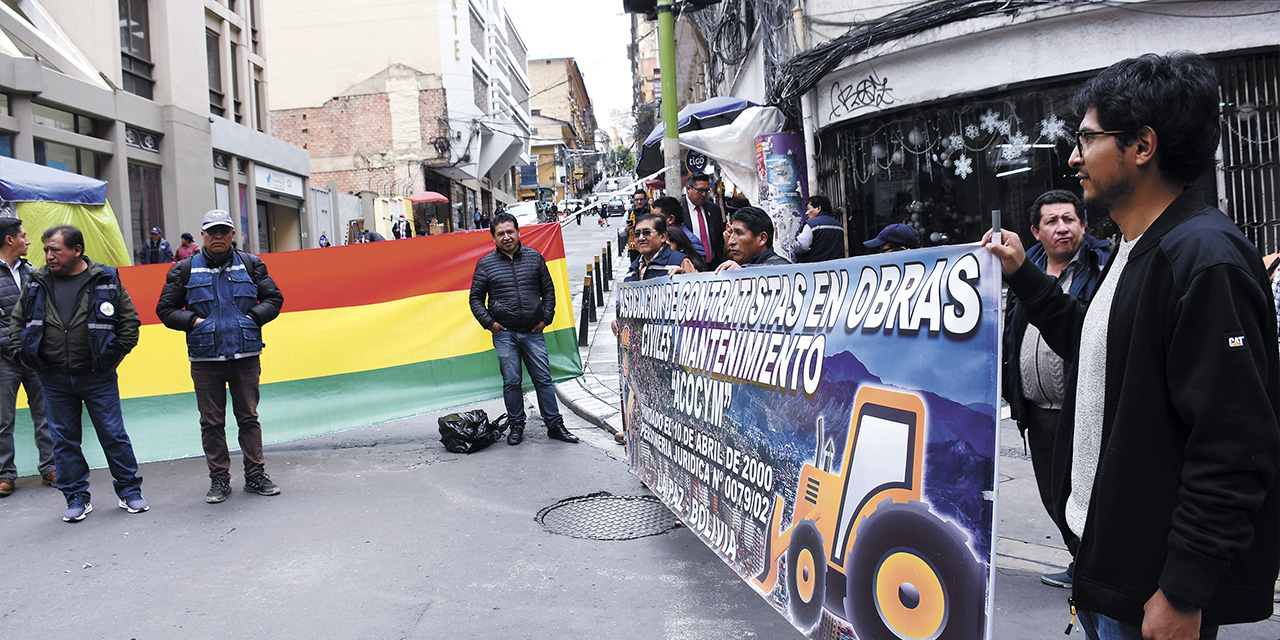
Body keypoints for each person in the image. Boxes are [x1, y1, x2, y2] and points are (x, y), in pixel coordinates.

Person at [984, 53, 1280, 640]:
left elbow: (1233, 443)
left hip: (1152, 592)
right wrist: (1023, 274)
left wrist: (1183, 590)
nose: (1074, 156)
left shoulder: (1205, 260)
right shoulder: (1135, 246)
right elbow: (1097, 350)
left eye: (1088, 138)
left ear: (1142, 146)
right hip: (1107, 567)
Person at [1001, 189, 1110, 589]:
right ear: (1035, 231)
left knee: (1085, 495)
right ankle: (1079, 561)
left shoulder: (1102, 267)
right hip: (1035, 410)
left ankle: (1094, 570)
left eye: (1069, 219)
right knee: (1053, 496)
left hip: (1080, 412)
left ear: (1083, 224)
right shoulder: (1018, 270)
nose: (1062, 228)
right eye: (1052, 221)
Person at [10, 225, 146, 522]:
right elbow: (16, 323)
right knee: (63, 439)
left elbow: (128, 322)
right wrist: (24, 357)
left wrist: (114, 358)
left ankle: (129, 492)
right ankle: (75, 498)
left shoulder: (106, 278)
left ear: (77, 250)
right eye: (46, 249)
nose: (48, 255)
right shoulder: (36, 282)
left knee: (113, 434)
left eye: (55, 249)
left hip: (98, 376)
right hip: (54, 378)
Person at [156, 210, 284, 503]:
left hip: (246, 355)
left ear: (232, 235)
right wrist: (193, 323)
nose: (218, 236)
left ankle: (255, 475)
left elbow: (274, 298)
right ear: (201, 235)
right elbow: (165, 309)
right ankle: (219, 480)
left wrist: (251, 318)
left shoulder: (251, 265)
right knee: (211, 423)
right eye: (212, 231)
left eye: (224, 231)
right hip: (205, 359)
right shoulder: (184, 269)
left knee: (248, 418)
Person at [469, 212, 577, 446]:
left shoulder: (535, 258)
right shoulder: (485, 264)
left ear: (519, 232)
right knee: (511, 382)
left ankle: (555, 425)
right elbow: (475, 299)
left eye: (510, 231)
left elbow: (548, 291)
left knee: (544, 380)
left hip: (533, 333)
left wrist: (545, 318)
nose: (506, 237)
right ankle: (516, 426)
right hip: (505, 334)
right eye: (501, 234)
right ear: (494, 238)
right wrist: (491, 324)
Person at [0, 218, 54, 497]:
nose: (29, 241)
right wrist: (16, 350)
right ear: (10, 240)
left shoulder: (31, 271)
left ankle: (51, 466)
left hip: (33, 357)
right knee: (2, 419)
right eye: (23, 236)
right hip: (5, 359)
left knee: (45, 413)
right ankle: (4, 475)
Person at [715, 206, 792, 271]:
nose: (730, 242)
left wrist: (743, 271)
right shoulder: (738, 267)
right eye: (731, 233)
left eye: (739, 233)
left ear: (762, 238)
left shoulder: (784, 270)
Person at [681, 174, 725, 266]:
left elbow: (719, 239)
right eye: (700, 191)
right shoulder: (679, 209)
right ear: (689, 189)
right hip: (689, 265)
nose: (704, 195)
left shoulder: (714, 209)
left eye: (706, 191)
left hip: (713, 265)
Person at [795, 195, 847, 263]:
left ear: (818, 208)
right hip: (834, 268)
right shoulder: (839, 226)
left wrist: (795, 246)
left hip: (813, 268)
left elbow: (802, 246)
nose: (806, 213)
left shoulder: (811, 224)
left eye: (808, 209)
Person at [626, 190, 651, 263]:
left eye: (641, 199)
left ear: (646, 199)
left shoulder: (653, 211)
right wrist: (626, 229)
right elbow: (621, 232)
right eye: (636, 200)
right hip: (634, 248)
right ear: (633, 200)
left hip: (650, 245)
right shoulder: (630, 213)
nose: (639, 202)